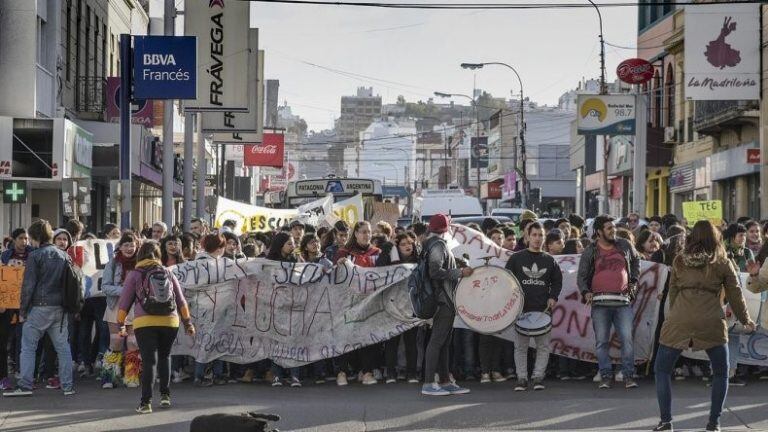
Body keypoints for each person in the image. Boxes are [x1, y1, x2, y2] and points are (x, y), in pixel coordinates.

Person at [652, 220, 755, 432]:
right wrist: (746, 320)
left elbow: (673, 293)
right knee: (720, 372)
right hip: (711, 319)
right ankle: (713, 423)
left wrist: (675, 315)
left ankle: (666, 421)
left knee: (662, 369)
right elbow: (736, 295)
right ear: (715, 237)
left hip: (679, 318)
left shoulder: (680, 260)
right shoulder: (722, 262)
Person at [116, 240, 195, 414]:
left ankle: (146, 403)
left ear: (140, 254)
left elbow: (124, 302)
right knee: (165, 356)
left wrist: (120, 324)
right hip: (170, 321)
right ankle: (165, 396)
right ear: (158, 255)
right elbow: (181, 300)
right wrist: (188, 322)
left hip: (145, 322)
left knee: (149, 360)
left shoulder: (135, 274)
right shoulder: (168, 272)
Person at [3, 220, 75, 397]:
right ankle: (68, 386)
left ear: (35, 237)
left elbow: (28, 286)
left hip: (39, 307)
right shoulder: (64, 255)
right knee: (63, 347)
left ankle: (25, 384)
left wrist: (23, 311)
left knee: (28, 346)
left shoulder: (35, 256)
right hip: (60, 307)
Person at [577, 215, 640, 389]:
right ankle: (605, 375)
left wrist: (633, 282)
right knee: (602, 341)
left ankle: (628, 375)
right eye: (609, 228)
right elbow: (581, 276)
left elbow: (636, 261)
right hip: (600, 303)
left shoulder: (625, 245)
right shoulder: (591, 250)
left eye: (614, 227)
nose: (614, 231)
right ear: (599, 232)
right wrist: (585, 292)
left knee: (627, 340)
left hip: (623, 302)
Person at [506, 222, 562, 391]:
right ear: (527, 237)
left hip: (542, 311)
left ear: (544, 238)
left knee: (543, 347)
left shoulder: (550, 260)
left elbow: (557, 281)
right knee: (521, 347)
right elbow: (506, 279)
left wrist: (553, 297)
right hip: (521, 310)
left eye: (540, 235)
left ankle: (538, 377)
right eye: (534, 235)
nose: (537, 238)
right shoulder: (516, 258)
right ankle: (522, 379)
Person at [421, 214, 473, 396]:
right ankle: (428, 383)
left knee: (443, 342)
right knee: (437, 342)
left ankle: (444, 381)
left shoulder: (431, 244)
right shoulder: (438, 245)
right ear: (445, 228)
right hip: (443, 300)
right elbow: (435, 271)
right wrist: (460, 272)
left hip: (441, 299)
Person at [335, 221, 382, 385]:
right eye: (363, 232)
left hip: (369, 303)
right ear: (355, 233)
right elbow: (333, 278)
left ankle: (367, 372)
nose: (366, 235)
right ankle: (342, 372)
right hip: (347, 304)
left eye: (369, 232)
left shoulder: (377, 253)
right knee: (345, 338)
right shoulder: (344, 253)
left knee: (366, 338)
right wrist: (338, 266)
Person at [377, 233, 420, 384]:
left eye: (410, 243)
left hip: (411, 307)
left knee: (411, 342)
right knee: (392, 342)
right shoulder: (390, 261)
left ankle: (412, 373)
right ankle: (390, 373)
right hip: (392, 306)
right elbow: (378, 270)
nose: (408, 246)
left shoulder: (419, 261)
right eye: (403, 244)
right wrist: (387, 248)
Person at [101, 232, 141, 389]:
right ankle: (108, 377)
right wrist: (124, 290)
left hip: (136, 307)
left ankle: (131, 376)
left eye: (132, 245)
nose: (129, 248)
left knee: (133, 342)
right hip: (116, 307)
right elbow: (105, 286)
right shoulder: (113, 263)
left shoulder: (142, 263)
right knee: (116, 341)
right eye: (126, 245)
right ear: (120, 247)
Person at [265, 232, 304, 387]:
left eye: (293, 243)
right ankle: (277, 374)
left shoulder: (295, 260)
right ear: (280, 245)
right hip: (275, 306)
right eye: (289, 243)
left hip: (292, 306)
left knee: (293, 341)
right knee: (276, 342)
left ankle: (295, 375)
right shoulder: (270, 262)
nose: (292, 246)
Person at [193, 234, 228, 386]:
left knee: (216, 339)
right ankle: (200, 375)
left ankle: (216, 374)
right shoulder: (205, 262)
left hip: (213, 305)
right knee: (208, 341)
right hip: (208, 306)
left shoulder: (211, 261)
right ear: (220, 248)